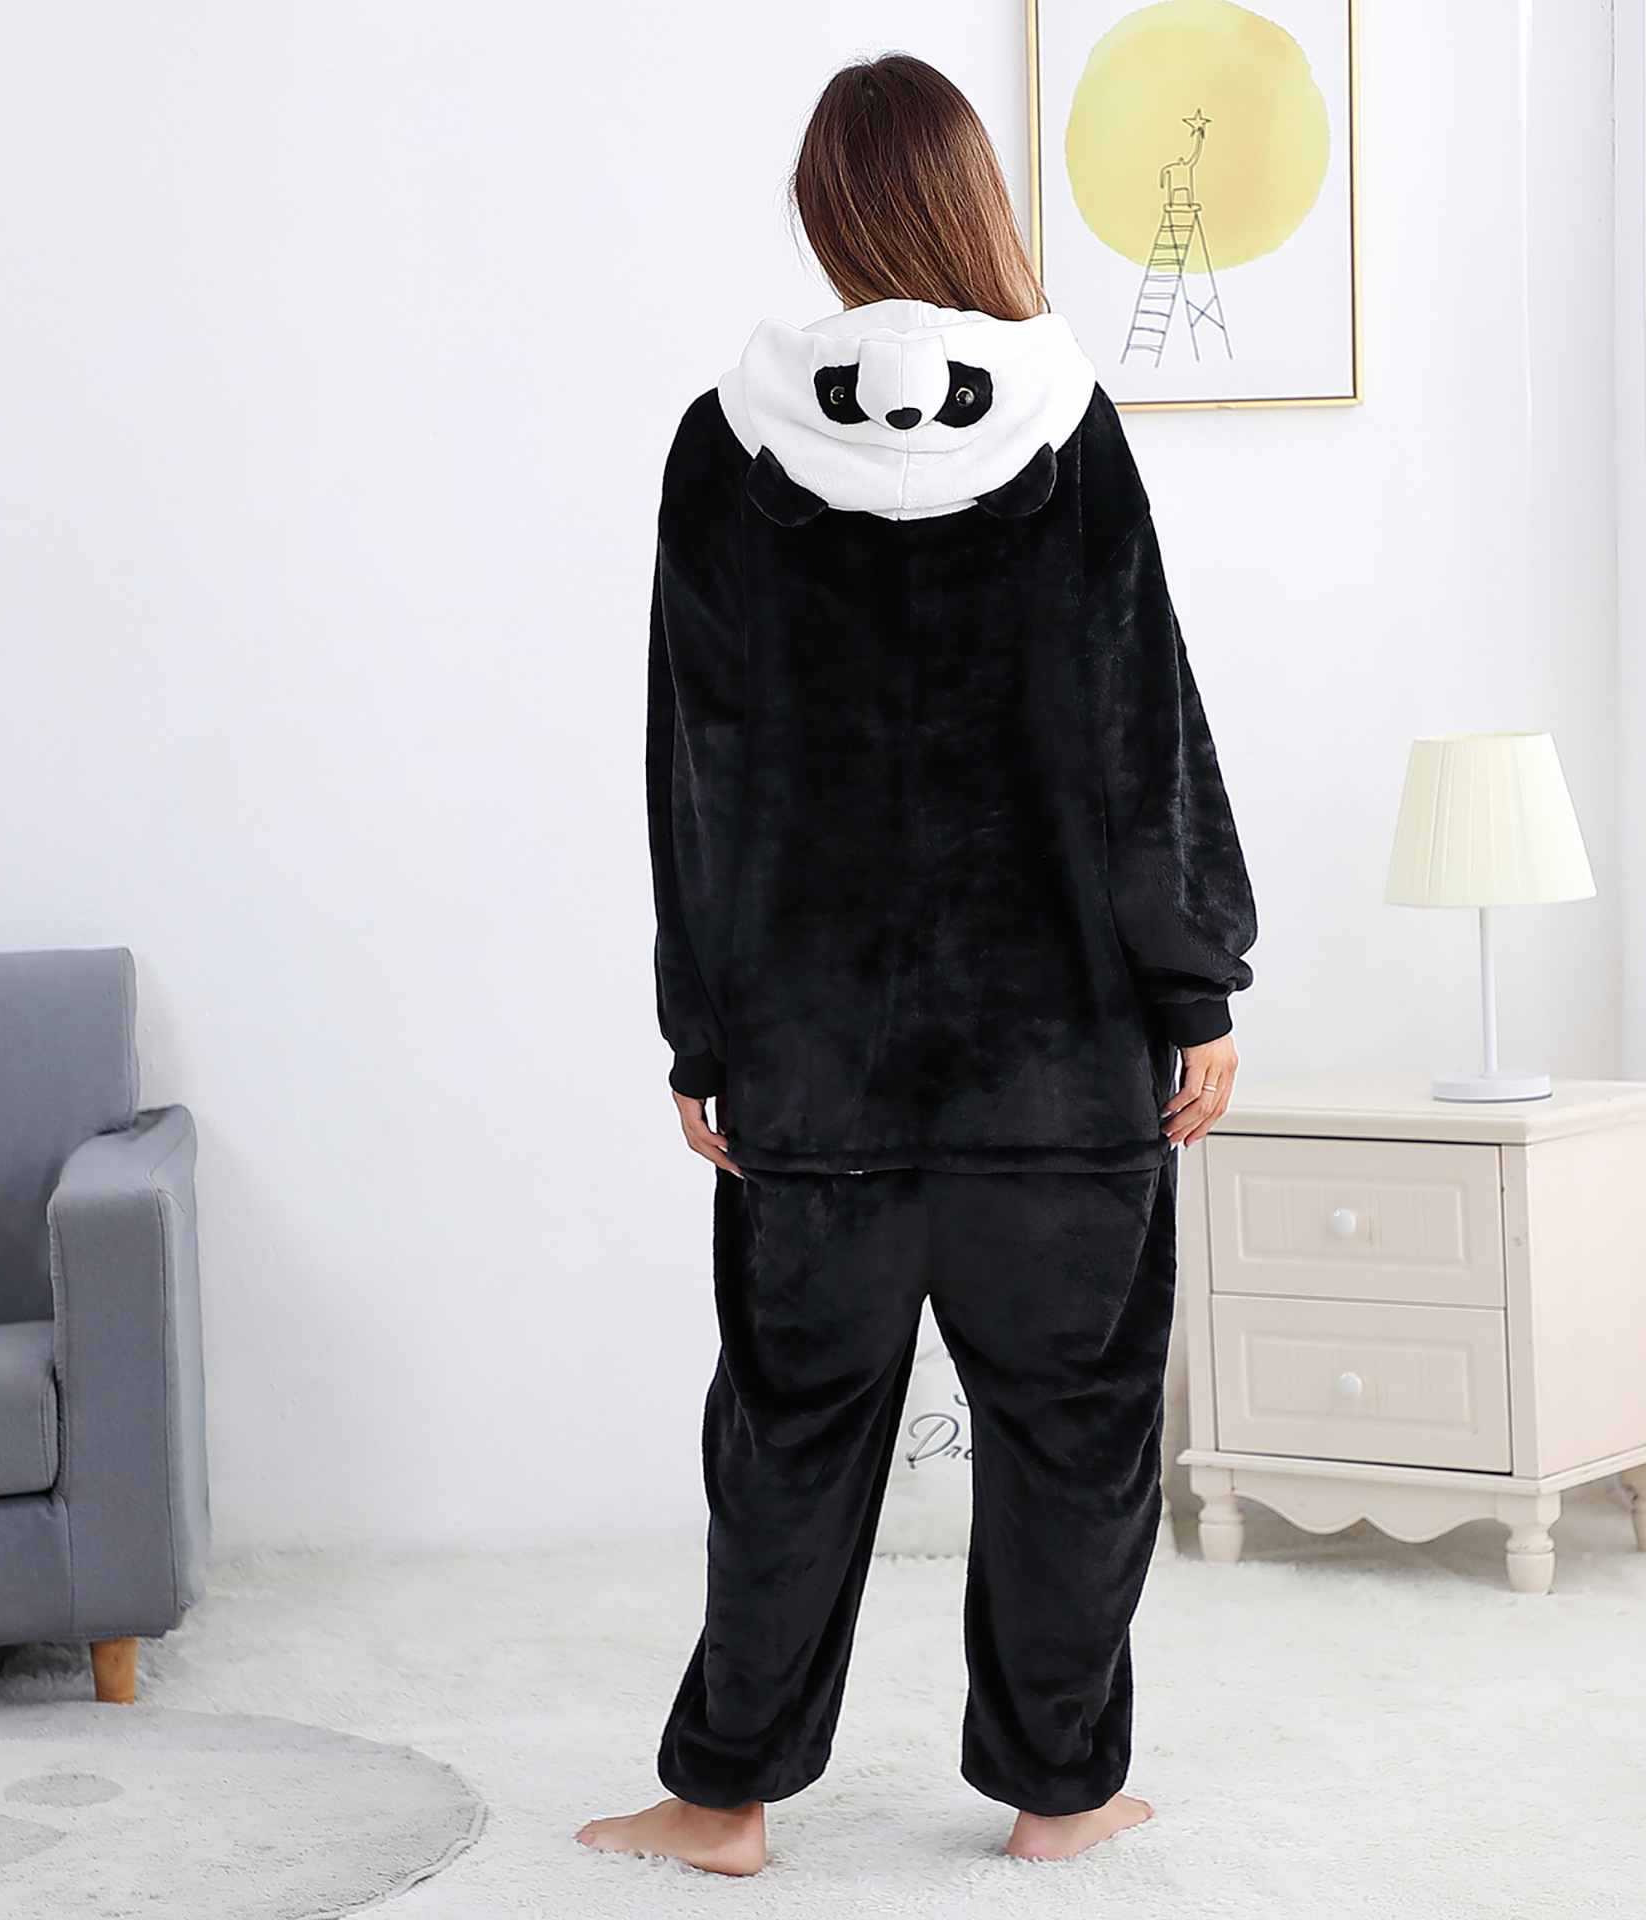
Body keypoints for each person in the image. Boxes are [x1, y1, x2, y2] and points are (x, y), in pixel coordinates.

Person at [579, 52, 1255, 1876]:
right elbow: (1137, 735)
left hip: (817, 1070)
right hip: (1061, 1062)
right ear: (972, 200)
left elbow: (698, 764)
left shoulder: (724, 443)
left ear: (827, 206)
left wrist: (703, 1033)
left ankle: (721, 1803)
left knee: (790, 1436)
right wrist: (1193, 985)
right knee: (1071, 1432)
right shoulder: (1066, 424)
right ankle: (1062, 1794)